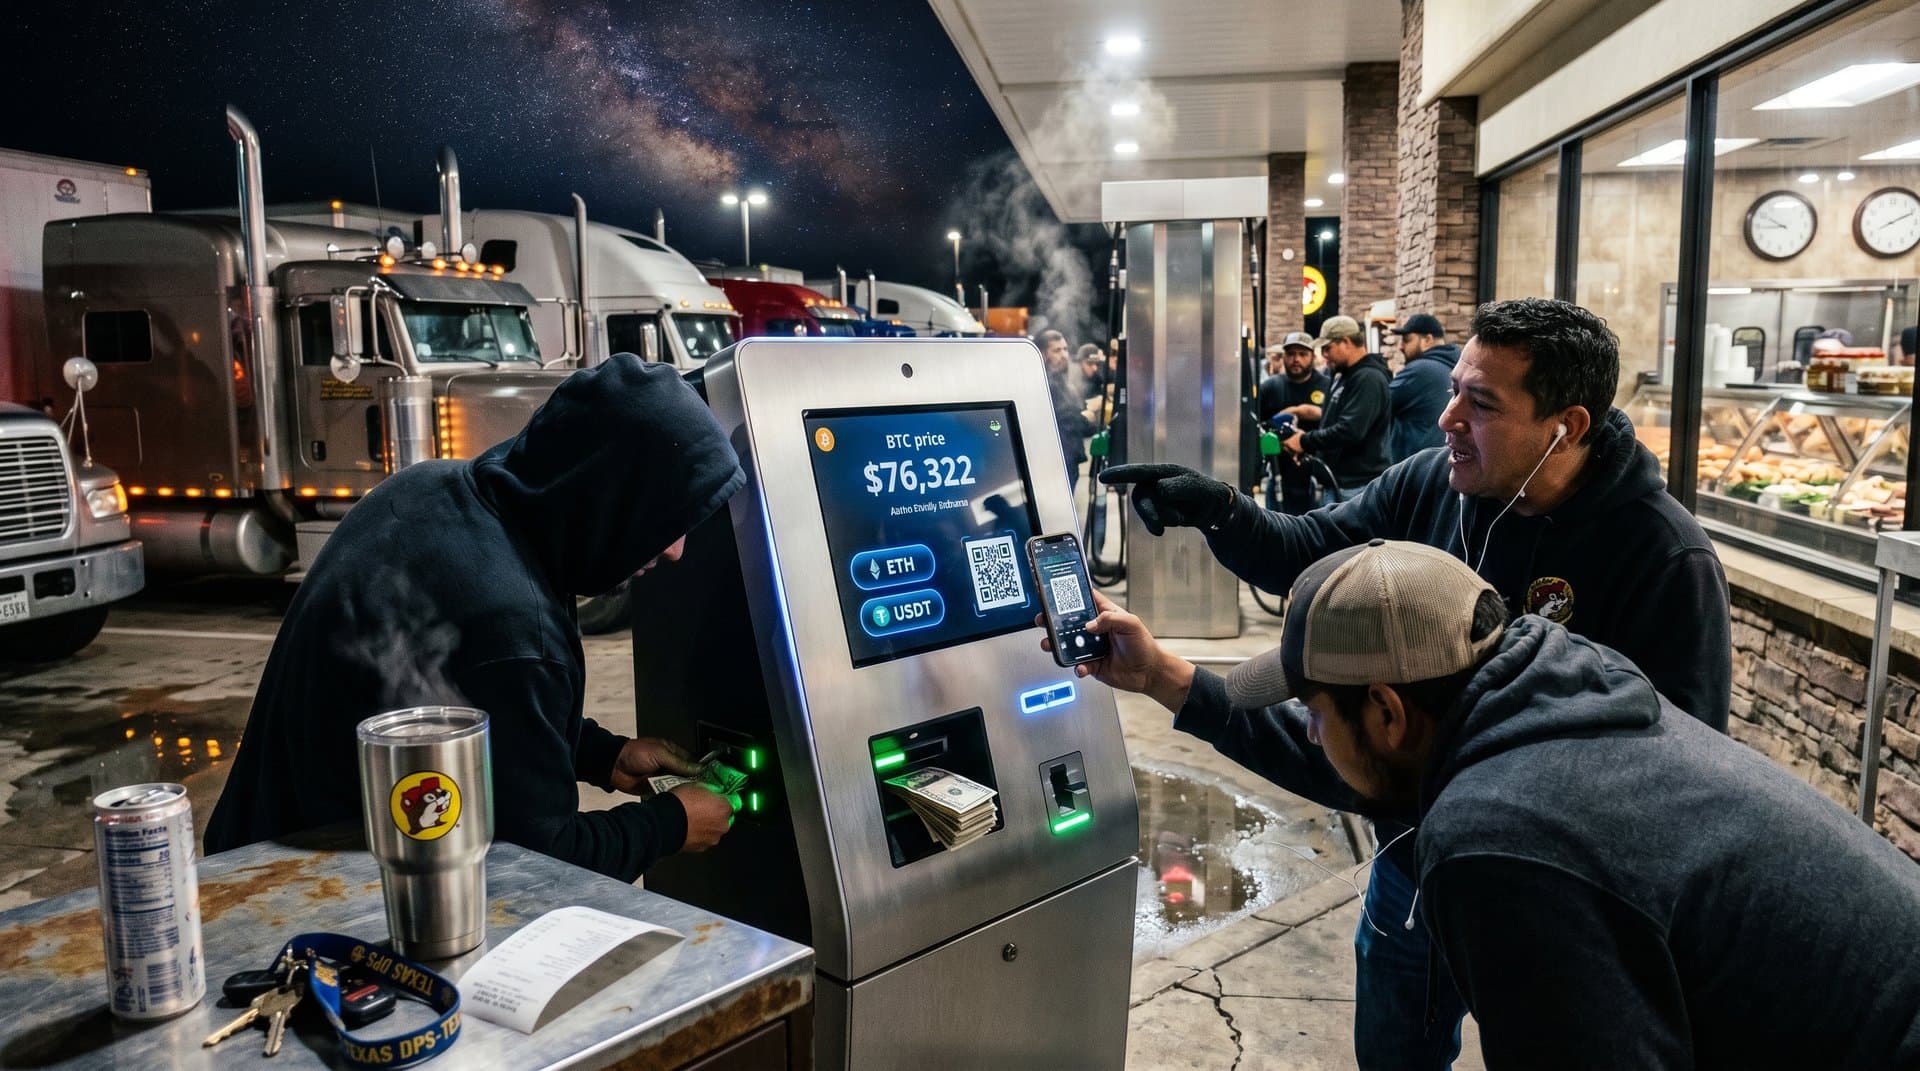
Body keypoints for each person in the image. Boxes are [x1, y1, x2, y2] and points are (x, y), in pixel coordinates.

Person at [1101, 297, 1731, 1070]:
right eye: (1455, 387)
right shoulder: (1434, 482)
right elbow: (1309, 552)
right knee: (1395, 1049)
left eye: (1481, 402)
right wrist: (1222, 510)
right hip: (1411, 865)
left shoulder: (1665, 556)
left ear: (1565, 427)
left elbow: (1685, 760)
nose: (1446, 417)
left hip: (1555, 891)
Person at [1052, 540, 1920, 1068]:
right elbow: (1361, 766)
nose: (1309, 734)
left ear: (1389, 711)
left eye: (1313, 711)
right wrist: (1166, 677)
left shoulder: (1501, 840)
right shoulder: (1555, 683)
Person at [206, 356, 746, 882]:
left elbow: (461, 706)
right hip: (315, 895)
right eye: (665, 518)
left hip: (250, 853)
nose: (675, 550)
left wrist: (608, 756)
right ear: (609, 495)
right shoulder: (511, 624)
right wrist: (670, 824)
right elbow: (539, 867)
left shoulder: (429, 488)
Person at [1280, 315, 1392, 503]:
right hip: (1338, 482)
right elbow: (1336, 421)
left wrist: (1304, 441)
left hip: (1356, 485)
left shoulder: (1368, 378)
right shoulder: (1343, 375)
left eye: (1327, 348)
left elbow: (1350, 430)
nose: (1324, 354)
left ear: (1346, 342)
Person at [1257, 332, 1333, 514]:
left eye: (1302, 354)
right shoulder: (1270, 388)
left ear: (1312, 356)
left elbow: (1337, 426)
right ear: (1283, 356)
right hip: (1279, 475)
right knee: (1276, 527)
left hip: (1316, 479)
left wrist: (1310, 413)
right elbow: (1258, 426)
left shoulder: (1327, 386)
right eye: (1291, 354)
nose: (1296, 359)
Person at [1387, 313, 1460, 463]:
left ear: (1427, 340)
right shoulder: (1455, 367)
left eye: (1407, 340)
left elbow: (1376, 406)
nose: (1400, 346)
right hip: (1442, 460)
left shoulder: (1419, 370)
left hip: (1414, 463)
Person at [1039, 329, 1094, 491]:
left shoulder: (1064, 383)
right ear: (1043, 354)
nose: (1063, 355)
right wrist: (1085, 417)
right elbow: (1062, 419)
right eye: (1057, 350)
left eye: (1065, 349)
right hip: (1055, 461)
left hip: (1070, 459)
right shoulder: (1044, 383)